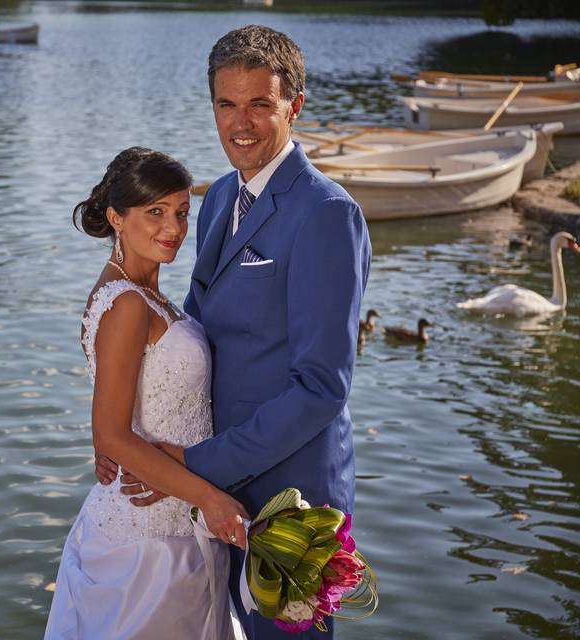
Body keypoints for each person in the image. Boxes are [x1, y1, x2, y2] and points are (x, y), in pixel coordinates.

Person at [96, 25, 371, 640]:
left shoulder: (327, 214)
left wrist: (200, 463)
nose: (239, 123)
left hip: (287, 497)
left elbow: (322, 386)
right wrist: (122, 434)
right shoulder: (219, 197)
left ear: (294, 106)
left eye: (259, 104)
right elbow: (192, 326)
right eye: (227, 103)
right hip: (206, 490)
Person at [44, 148, 248, 639]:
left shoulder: (147, 295)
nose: (173, 227)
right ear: (116, 218)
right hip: (149, 545)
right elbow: (112, 434)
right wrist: (212, 500)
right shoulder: (128, 303)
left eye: (180, 211)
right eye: (154, 212)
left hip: (179, 521)